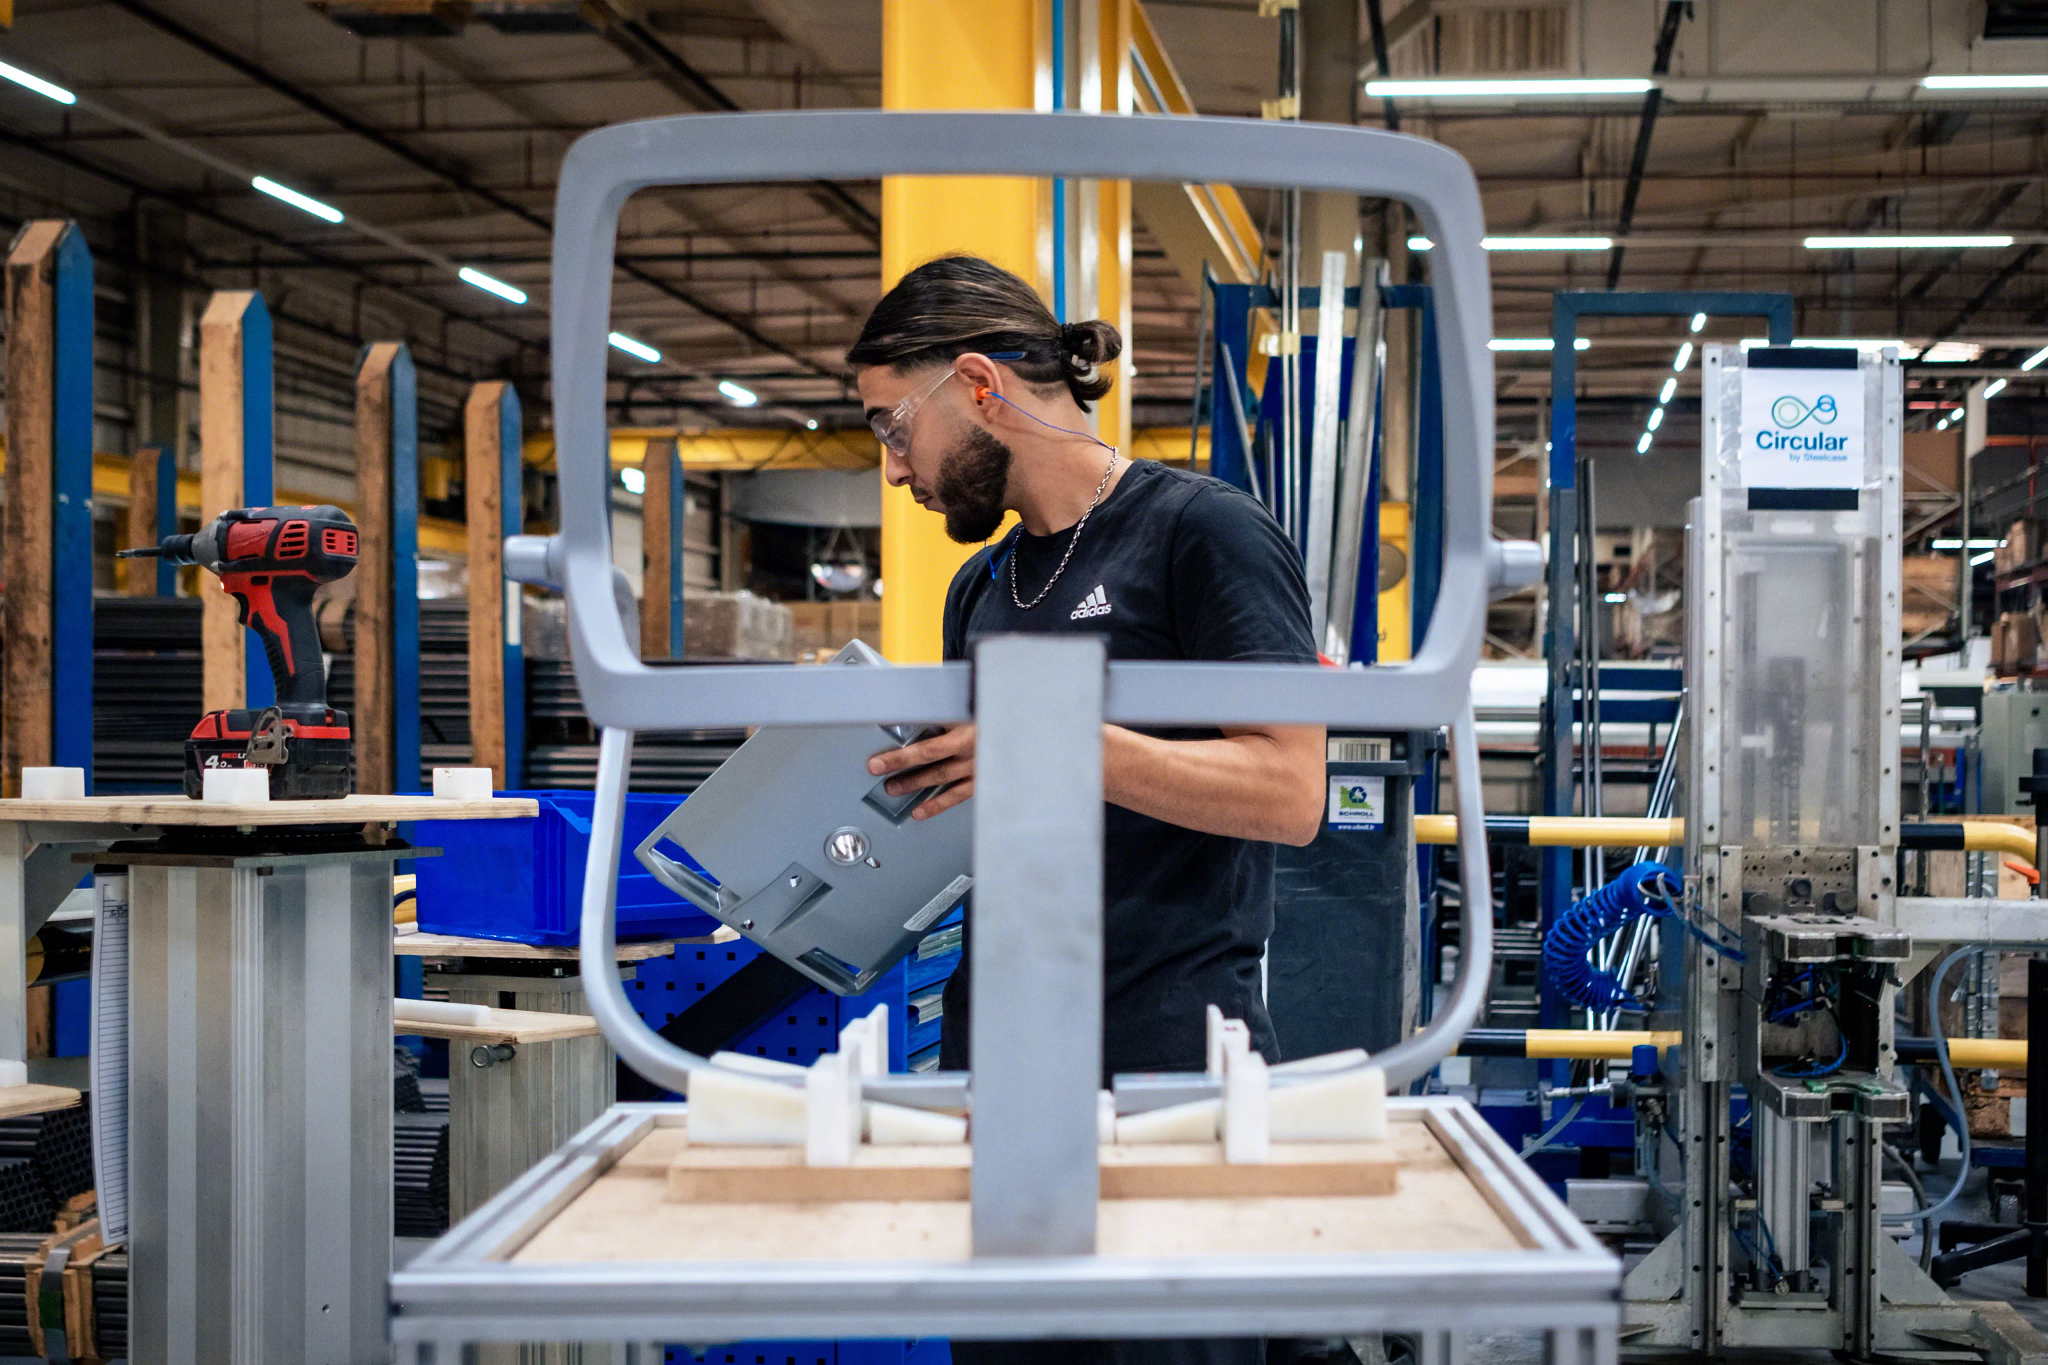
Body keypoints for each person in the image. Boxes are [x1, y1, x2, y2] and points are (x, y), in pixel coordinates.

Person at [849, 256, 1326, 1365]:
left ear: (978, 385)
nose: (894, 469)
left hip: (1166, 1054)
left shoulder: (1202, 533)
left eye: (891, 427)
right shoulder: (981, 587)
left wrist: (1054, 739)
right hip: (1001, 1052)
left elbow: (1290, 790)